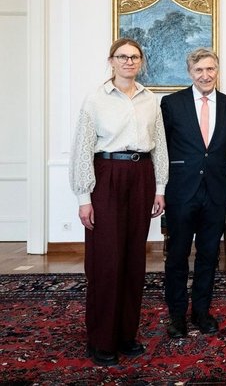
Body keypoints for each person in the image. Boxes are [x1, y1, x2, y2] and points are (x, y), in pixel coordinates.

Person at [69, 38, 168, 366]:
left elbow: (160, 147)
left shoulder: (150, 99)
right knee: (106, 261)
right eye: (122, 57)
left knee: (133, 261)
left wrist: (160, 187)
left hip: (141, 177)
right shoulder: (95, 99)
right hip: (106, 176)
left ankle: (127, 334)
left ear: (141, 62)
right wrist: (85, 197)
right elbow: (83, 149)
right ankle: (101, 340)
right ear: (111, 61)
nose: (129, 62)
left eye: (134, 57)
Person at [160, 48, 226, 338]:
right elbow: (164, 146)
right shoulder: (171, 104)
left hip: (216, 191)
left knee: (209, 255)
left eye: (210, 69)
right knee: (177, 255)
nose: (205, 75)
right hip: (181, 190)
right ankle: (177, 315)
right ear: (190, 73)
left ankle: (202, 312)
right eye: (199, 71)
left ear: (217, 70)